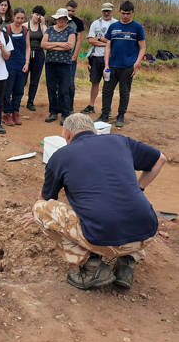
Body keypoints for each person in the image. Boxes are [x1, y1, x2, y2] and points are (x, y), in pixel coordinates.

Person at [22, 113, 166, 290]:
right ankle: (127, 264)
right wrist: (140, 188)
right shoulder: (121, 141)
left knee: (40, 208)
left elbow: (46, 199)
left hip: (101, 238)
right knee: (129, 203)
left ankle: (93, 267)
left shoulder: (61, 156)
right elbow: (160, 159)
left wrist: (37, 214)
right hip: (147, 233)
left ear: (67, 134)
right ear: (95, 132)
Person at [96, 1, 146, 127]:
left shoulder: (137, 27)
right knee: (107, 91)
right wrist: (106, 65)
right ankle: (104, 115)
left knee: (124, 92)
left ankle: (121, 115)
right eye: (123, 13)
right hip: (112, 66)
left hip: (128, 66)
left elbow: (143, 48)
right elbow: (108, 47)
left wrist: (136, 64)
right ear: (119, 12)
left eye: (128, 13)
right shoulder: (113, 27)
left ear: (133, 12)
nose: (125, 16)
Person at [80, 3, 118, 115]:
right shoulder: (95, 23)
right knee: (94, 82)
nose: (106, 13)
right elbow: (90, 40)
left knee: (109, 84)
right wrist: (106, 43)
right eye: (104, 11)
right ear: (102, 11)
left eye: (108, 11)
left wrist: (100, 39)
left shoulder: (116, 24)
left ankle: (107, 108)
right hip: (95, 57)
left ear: (112, 11)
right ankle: (91, 105)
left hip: (110, 58)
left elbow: (115, 41)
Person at [41, 8, 75, 126]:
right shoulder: (50, 29)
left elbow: (70, 46)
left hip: (64, 64)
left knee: (64, 90)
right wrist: (60, 44)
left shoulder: (71, 30)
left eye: (63, 18)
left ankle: (65, 114)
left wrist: (51, 46)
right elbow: (43, 44)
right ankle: (53, 112)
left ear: (66, 19)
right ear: (55, 19)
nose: (61, 20)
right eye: (59, 18)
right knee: (51, 89)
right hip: (50, 63)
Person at [2, 7, 30, 126]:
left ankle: (16, 112)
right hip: (9, 63)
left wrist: (27, 62)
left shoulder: (25, 29)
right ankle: (6, 113)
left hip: (22, 63)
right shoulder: (6, 29)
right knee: (7, 90)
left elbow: (28, 47)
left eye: (22, 18)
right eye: (18, 18)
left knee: (19, 90)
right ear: (13, 16)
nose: (19, 20)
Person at [23, 5, 47, 111]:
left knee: (35, 79)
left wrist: (43, 24)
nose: (38, 17)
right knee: (23, 77)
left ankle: (31, 101)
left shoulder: (42, 26)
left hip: (39, 54)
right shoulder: (25, 25)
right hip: (26, 53)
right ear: (32, 13)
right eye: (37, 15)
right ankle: (17, 98)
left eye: (40, 16)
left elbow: (47, 37)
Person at [66, 0, 85, 114]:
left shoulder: (78, 22)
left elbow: (79, 40)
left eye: (73, 11)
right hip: (60, 56)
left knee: (70, 82)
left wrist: (75, 54)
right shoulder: (60, 19)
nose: (70, 13)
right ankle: (61, 104)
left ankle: (70, 106)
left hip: (71, 56)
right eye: (69, 10)